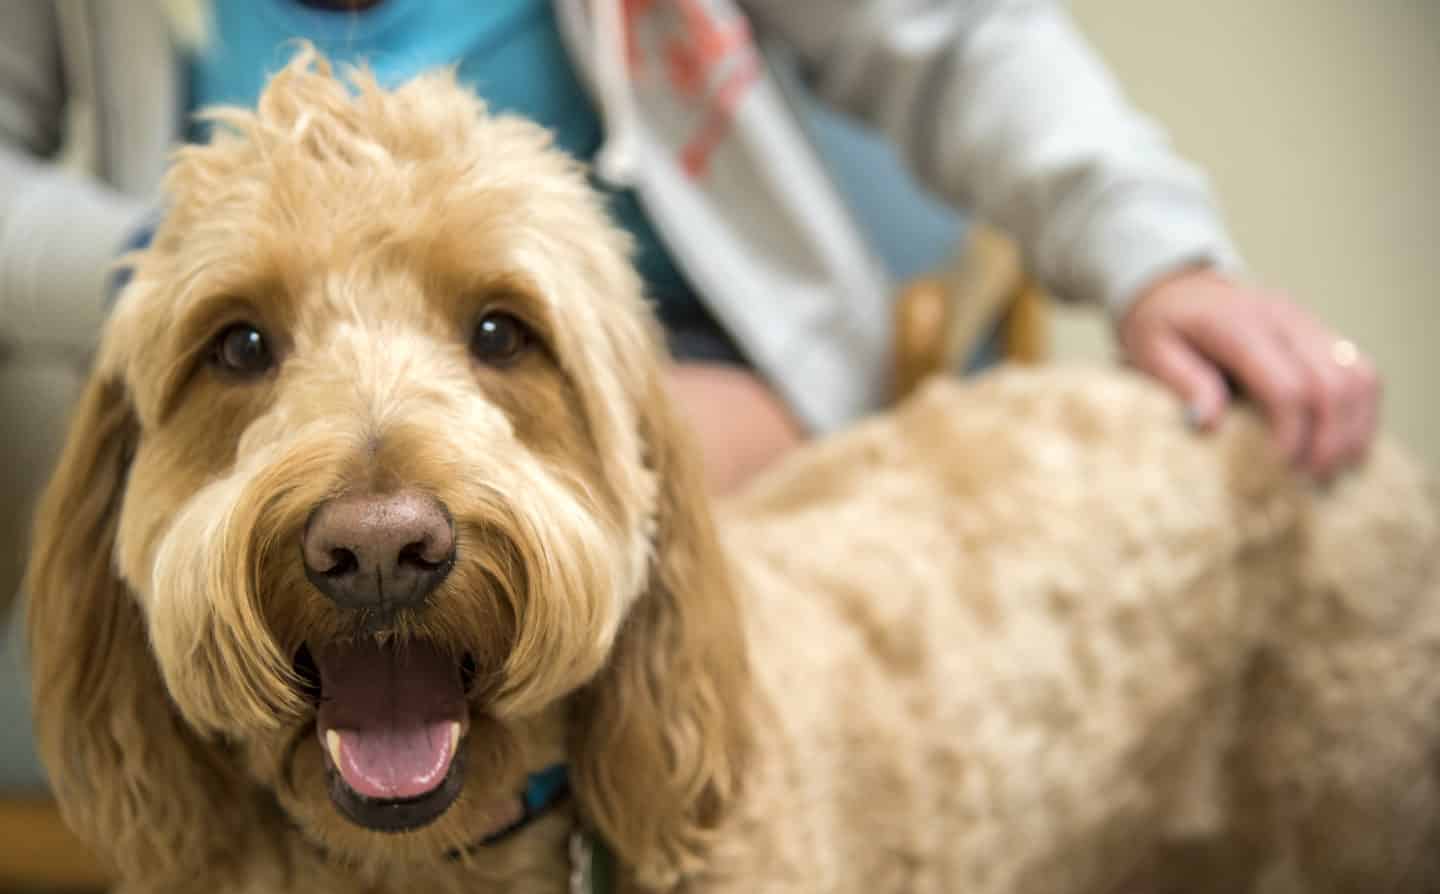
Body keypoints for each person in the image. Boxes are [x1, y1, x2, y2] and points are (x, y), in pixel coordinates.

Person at [0, 0, 1379, 497]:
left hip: (673, 346)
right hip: (257, 374)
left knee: (631, 543)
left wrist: (1158, 257)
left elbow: (952, 39)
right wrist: (157, 270)